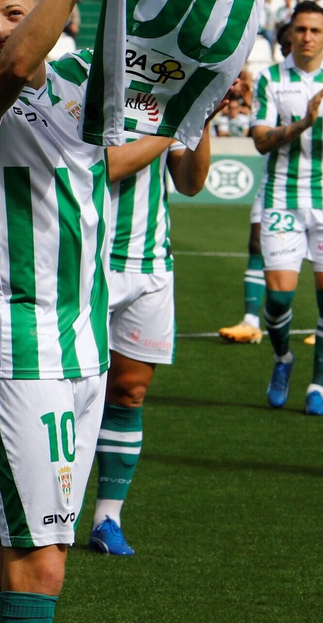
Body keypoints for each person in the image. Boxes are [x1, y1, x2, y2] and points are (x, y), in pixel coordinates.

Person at [0, 0, 192, 623]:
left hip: (84, 347)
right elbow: (18, 68)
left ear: (43, 10)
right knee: (40, 565)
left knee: (22, 554)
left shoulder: (86, 84)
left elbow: (173, 73)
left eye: (14, 12)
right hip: (14, 346)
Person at [86, 100, 218, 557]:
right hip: (84, 263)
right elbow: (106, 167)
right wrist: (175, 125)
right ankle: (19, 518)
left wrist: (200, 122)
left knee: (129, 393)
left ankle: (107, 517)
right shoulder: (85, 80)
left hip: (150, 268)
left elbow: (191, 182)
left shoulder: (169, 92)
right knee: (59, 394)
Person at [244, 2, 323, 417]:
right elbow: (260, 139)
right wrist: (303, 124)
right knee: (278, 299)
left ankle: (318, 389)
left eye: (316, 30)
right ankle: (282, 360)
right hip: (282, 199)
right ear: (289, 34)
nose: (308, 36)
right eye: (301, 29)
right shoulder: (271, 79)